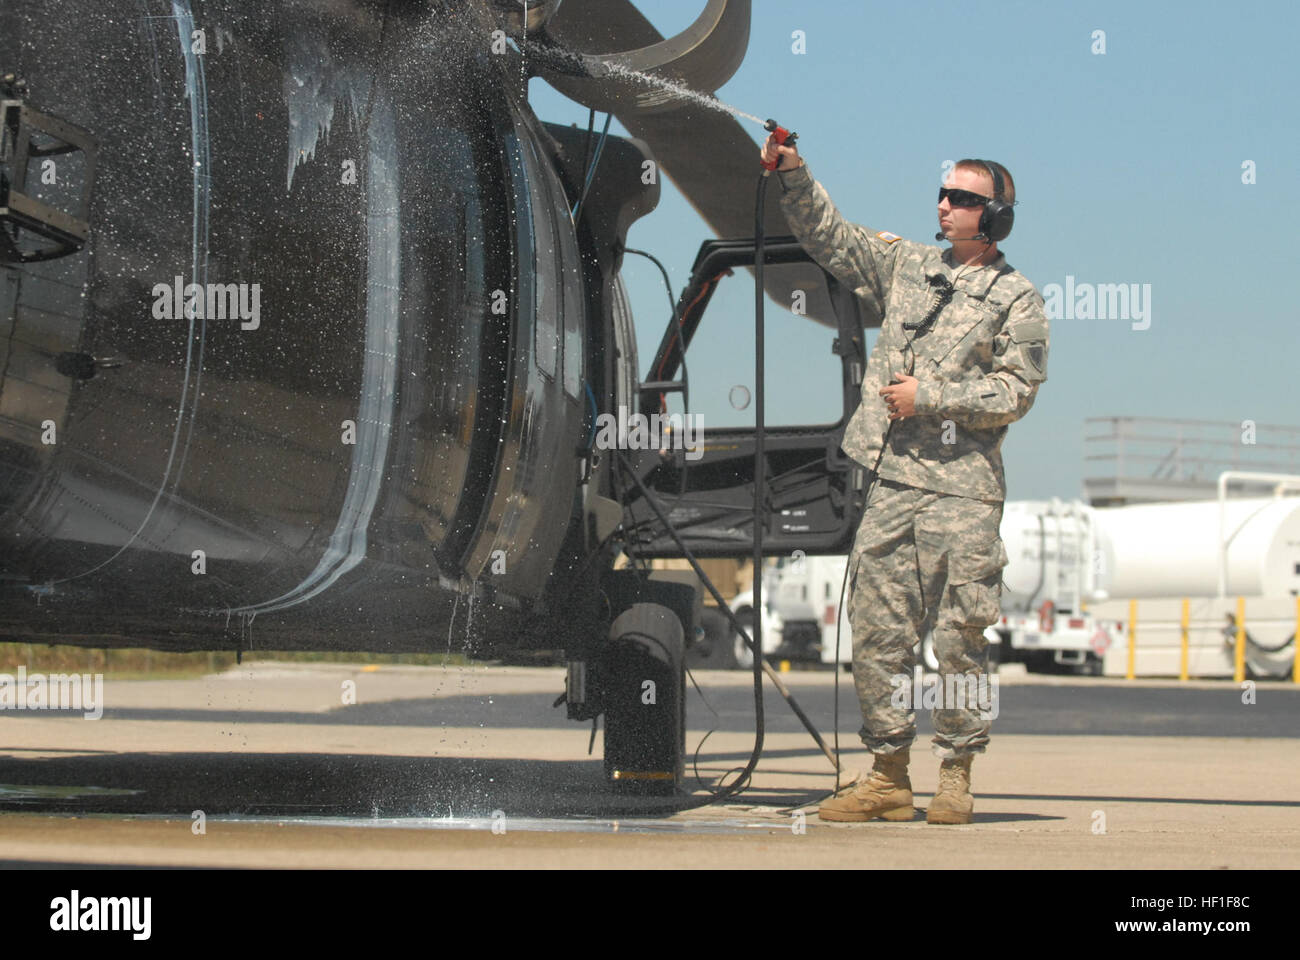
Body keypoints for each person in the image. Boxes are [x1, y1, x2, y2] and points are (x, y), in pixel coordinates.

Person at [759, 134, 1049, 824]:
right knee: (878, 630)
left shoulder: (1018, 299)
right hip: (892, 482)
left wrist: (933, 396)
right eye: (944, 193)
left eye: (963, 198)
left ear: (995, 216)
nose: (945, 205)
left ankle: (956, 774)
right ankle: (887, 775)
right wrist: (794, 174)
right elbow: (829, 236)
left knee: (960, 636)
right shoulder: (908, 266)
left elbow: (1017, 390)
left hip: (962, 489)